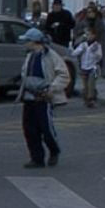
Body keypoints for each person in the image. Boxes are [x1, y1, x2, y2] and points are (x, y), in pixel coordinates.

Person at [15, 27, 70, 169]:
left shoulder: (51, 56)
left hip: (44, 97)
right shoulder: (30, 56)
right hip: (29, 97)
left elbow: (63, 75)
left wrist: (52, 88)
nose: (25, 44)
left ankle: (54, 150)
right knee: (30, 129)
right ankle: (37, 158)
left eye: (27, 41)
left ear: (34, 41)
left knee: (46, 129)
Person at [71, 27, 103, 108]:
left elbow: (99, 57)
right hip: (84, 67)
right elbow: (74, 53)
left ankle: (91, 99)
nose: (88, 36)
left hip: (93, 67)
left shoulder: (97, 45)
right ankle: (86, 99)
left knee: (91, 84)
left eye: (89, 34)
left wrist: (94, 52)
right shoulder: (83, 45)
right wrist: (80, 49)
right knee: (85, 86)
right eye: (86, 35)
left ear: (93, 35)